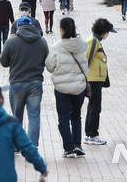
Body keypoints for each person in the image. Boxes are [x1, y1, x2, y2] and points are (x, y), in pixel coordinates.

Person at [0, 15, 49, 148]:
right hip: (35, 83)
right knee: (34, 117)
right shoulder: (42, 42)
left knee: (17, 117)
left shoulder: (11, 42)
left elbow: (4, 62)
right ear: (32, 26)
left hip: (16, 83)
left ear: (17, 27)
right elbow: (46, 60)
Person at [45, 16, 88, 158]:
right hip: (79, 88)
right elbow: (85, 65)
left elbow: (50, 66)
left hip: (62, 89)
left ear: (62, 30)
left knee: (63, 118)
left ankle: (69, 149)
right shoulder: (82, 44)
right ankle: (77, 145)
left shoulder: (57, 47)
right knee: (76, 116)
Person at [84, 19, 116, 146]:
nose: (107, 34)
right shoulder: (93, 41)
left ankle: (89, 134)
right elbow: (86, 58)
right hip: (93, 79)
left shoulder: (96, 40)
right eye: (107, 31)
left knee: (93, 107)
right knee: (95, 107)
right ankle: (92, 134)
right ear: (103, 31)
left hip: (97, 79)